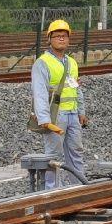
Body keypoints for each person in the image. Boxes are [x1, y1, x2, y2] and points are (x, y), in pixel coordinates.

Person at [30, 19, 87, 190]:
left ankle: (78, 188)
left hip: (72, 114)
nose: (61, 39)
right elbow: (39, 92)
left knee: (76, 152)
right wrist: (44, 119)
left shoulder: (71, 62)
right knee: (54, 156)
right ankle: (53, 190)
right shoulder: (43, 62)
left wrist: (81, 111)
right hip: (55, 116)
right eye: (57, 36)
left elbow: (76, 88)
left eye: (64, 36)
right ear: (50, 39)